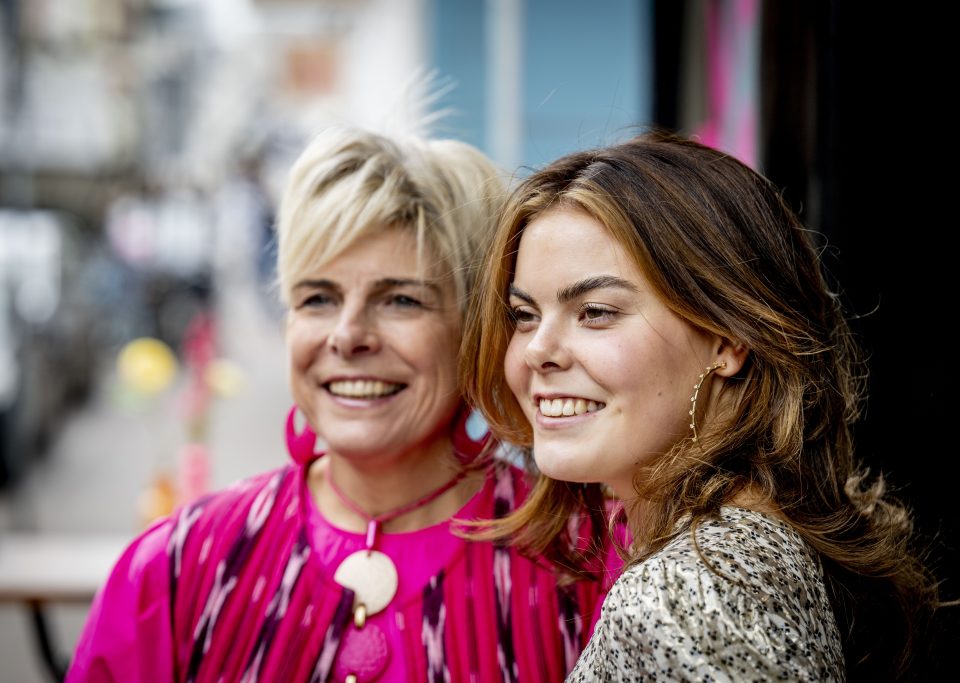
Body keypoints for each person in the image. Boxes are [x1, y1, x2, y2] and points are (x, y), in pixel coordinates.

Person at [66, 125, 618, 683]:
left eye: (401, 300)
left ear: (477, 329)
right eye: (318, 298)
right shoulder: (180, 566)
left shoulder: (585, 561)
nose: (347, 336)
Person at [461, 130, 940, 682]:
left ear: (728, 339)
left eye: (595, 312)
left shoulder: (680, 596)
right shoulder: (747, 549)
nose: (536, 350)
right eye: (524, 315)